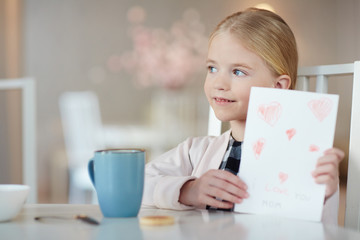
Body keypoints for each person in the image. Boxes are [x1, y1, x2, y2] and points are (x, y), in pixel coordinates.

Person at [142, 8, 344, 224]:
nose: (218, 83)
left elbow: (323, 232)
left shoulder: (303, 160)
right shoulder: (195, 151)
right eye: (212, 68)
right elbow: (136, 183)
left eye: (238, 72)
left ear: (278, 87)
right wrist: (187, 190)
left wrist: (322, 195)